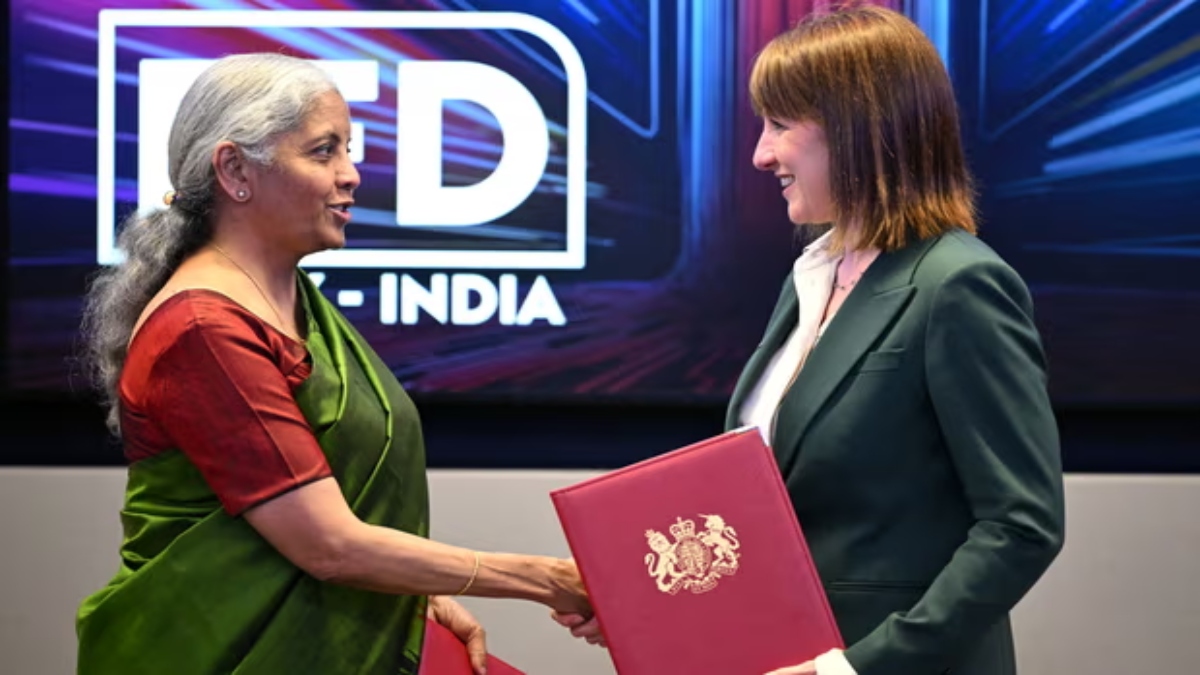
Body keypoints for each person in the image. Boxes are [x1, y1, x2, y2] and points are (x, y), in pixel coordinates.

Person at [559, 5, 1065, 675]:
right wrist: (645, 601)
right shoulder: (812, 275)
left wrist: (853, 668)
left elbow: (1021, 526)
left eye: (779, 125)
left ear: (858, 128)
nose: (760, 154)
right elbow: (776, 516)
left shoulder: (960, 283)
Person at [77, 53, 590, 675]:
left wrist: (413, 595)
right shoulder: (202, 330)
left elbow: (305, 517)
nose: (351, 175)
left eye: (348, 150)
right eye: (323, 152)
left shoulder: (288, 299)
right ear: (235, 169)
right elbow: (326, 545)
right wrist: (547, 578)